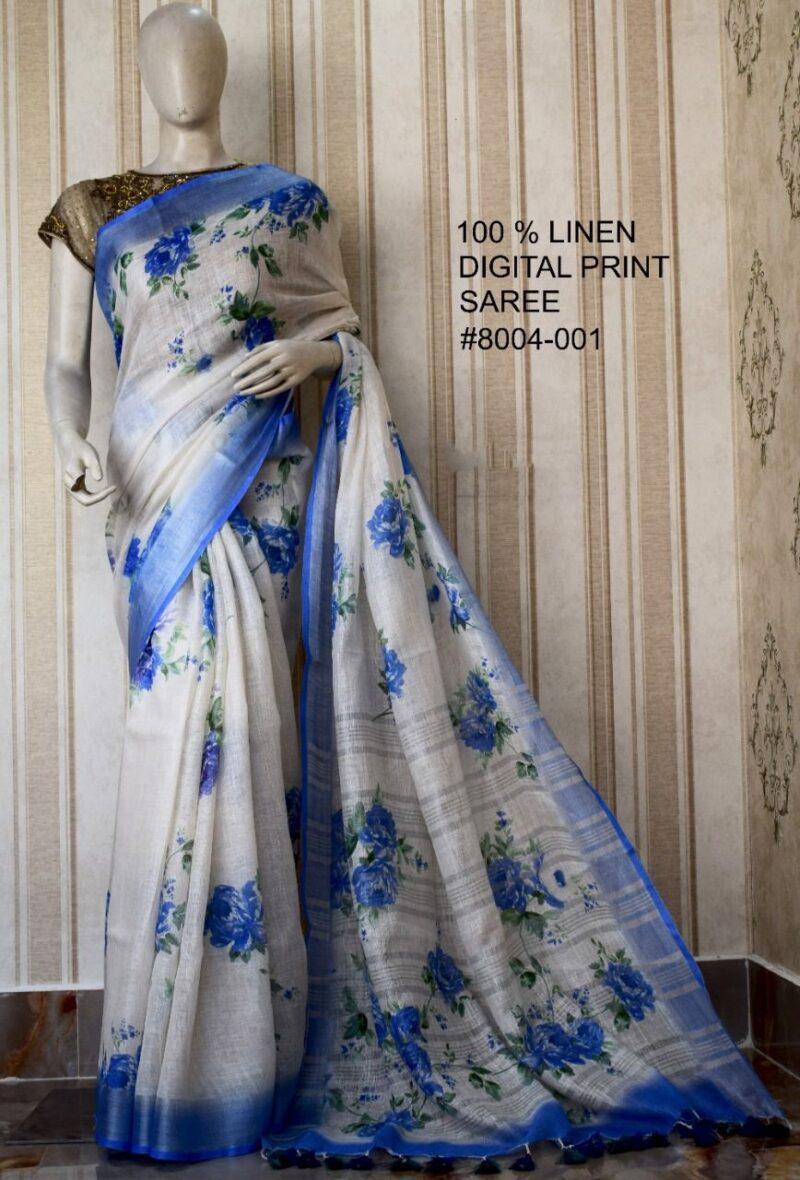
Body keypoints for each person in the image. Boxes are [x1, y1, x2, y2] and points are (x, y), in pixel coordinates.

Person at [37, 2, 788, 1168]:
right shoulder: (91, 208)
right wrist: (69, 440)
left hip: (262, 496)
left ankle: (245, 1067)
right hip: (152, 504)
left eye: (201, 55)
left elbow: (342, 338)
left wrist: (317, 352)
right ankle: (167, 1069)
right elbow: (65, 364)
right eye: (164, 56)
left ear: (221, 71)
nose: (184, 75)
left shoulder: (291, 203)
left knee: (254, 753)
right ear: (140, 71)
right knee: (170, 753)